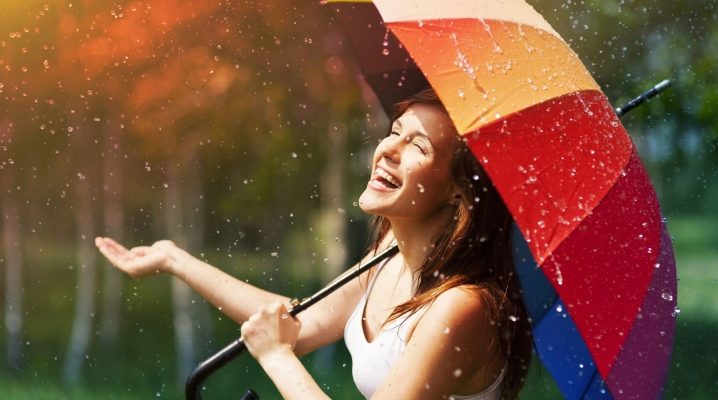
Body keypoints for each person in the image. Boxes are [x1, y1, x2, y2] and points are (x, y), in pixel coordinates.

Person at [95, 88, 532, 399]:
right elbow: (298, 323)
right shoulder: (387, 259)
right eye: (394, 131)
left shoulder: (462, 307)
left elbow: (283, 340)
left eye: (418, 146)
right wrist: (176, 259)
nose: (388, 151)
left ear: (459, 189)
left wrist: (276, 356)